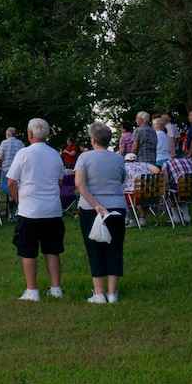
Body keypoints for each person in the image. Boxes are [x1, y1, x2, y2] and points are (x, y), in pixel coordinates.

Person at [7, 118, 66, 302]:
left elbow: (11, 181)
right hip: (52, 210)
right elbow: (60, 180)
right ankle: (56, 288)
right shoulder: (55, 154)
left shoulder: (23, 153)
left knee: (27, 250)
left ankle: (32, 290)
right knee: (52, 250)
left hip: (29, 210)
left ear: (30, 134)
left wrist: (18, 200)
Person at [74, 122, 126, 304]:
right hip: (117, 207)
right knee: (115, 248)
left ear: (93, 139)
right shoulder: (118, 158)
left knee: (94, 249)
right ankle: (113, 293)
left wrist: (96, 204)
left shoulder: (84, 157)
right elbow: (121, 179)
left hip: (90, 208)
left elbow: (80, 184)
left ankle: (99, 293)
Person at [0, 127, 25, 194]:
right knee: (17, 185)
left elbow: (0, 157)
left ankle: (13, 196)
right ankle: (15, 197)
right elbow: (24, 155)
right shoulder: (20, 143)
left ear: (8, 134)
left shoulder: (4, 143)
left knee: (3, 185)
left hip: (6, 169)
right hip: (18, 169)